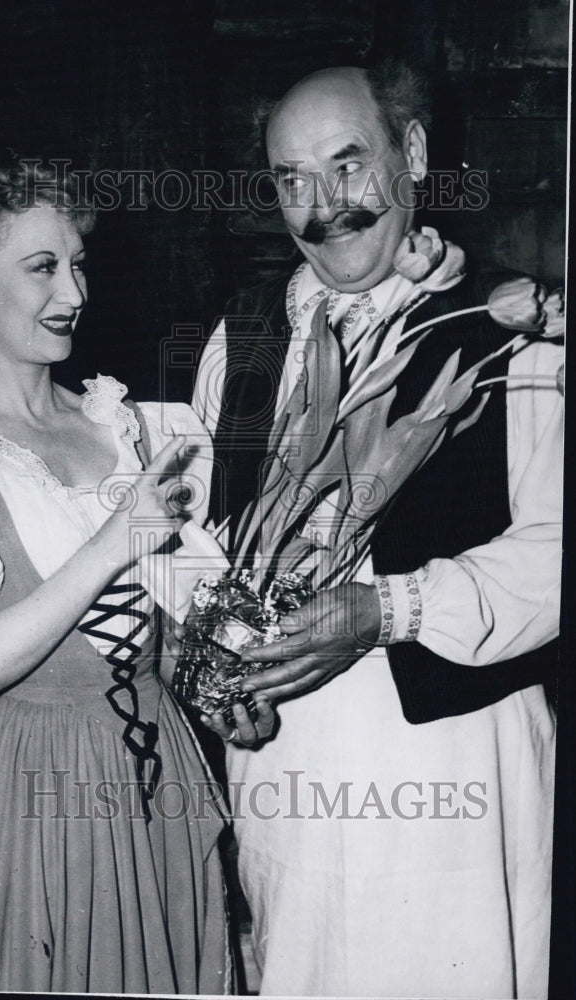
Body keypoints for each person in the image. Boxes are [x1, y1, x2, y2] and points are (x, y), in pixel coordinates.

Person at [192, 62, 563, 998]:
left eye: (348, 164)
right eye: (291, 179)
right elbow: (196, 552)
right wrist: (218, 679)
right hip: (286, 775)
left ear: (416, 154)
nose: (323, 208)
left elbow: (559, 555)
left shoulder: (518, 332)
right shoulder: (241, 339)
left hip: (453, 773)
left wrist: (388, 610)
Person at [0, 149, 241, 992]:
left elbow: (164, 634)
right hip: (17, 795)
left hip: (154, 780)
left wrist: (219, 689)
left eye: (78, 264)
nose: (75, 292)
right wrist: (114, 541)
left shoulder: (136, 428)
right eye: (43, 267)